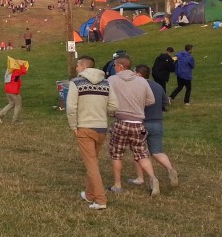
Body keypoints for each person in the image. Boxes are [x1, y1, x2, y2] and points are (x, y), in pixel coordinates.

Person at [66, 55, 119, 210]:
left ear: (83, 67)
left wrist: (73, 126)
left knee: (91, 165)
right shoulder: (106, 83)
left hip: (84, 127)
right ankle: (89, 195)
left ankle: (100, 200)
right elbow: (114, 106)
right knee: (93, 161)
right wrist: (104, 113)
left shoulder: (76, 83)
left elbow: (71, 107)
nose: (75, 68)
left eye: (77, 65)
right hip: (101, 128)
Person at [106, 55, 160, 196]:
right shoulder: (141, 81)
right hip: (138, 124)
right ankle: (153, 179)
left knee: (117, 154)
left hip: (121, 122)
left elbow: (107, 98)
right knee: (142, 154)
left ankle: (117, 185)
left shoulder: (111, 80)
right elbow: (150, 100)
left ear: (121, 66)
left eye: (115, 66)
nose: (114, 68)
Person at [131, 64, 180, 188]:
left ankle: (140, 177)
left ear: (139, 74)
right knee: (157, 151)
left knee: (139, 152)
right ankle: (170, 169)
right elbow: (165, 102)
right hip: (157, 123)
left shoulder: (137, 86)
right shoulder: (158, 86)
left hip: (141, 123)